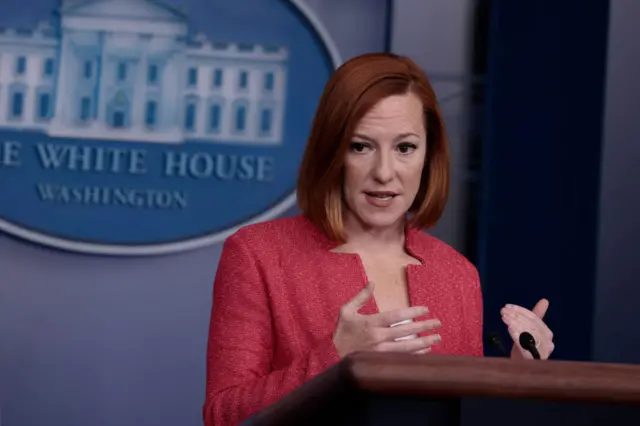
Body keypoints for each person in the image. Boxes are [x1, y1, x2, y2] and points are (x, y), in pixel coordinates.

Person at [202, 52, 555, 425]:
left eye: (404, 148)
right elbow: (223, 416)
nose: (384, 173)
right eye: (361, 146)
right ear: (331, 153)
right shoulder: (258, 254)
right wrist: (334, 355)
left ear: (428, 155)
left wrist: (518, 378)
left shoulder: (457, 274)